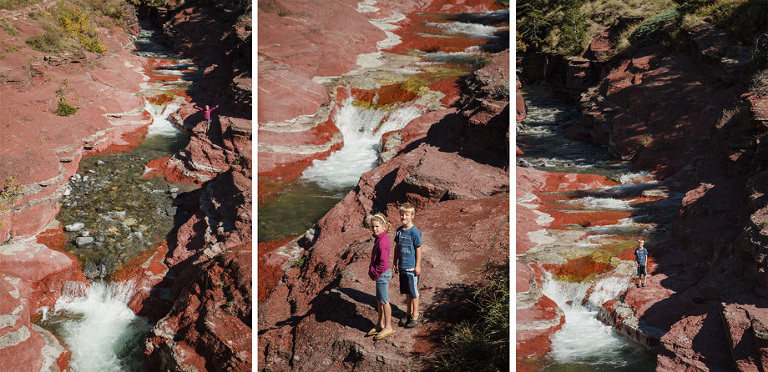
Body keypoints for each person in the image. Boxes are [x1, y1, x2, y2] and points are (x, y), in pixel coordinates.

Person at [393, 202, 423, 328]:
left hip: (411, 268)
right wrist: (394, 262)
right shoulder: (399, 231)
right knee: (407, 292)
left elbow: (418, 249)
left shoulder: (415, 232)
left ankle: (415, 315)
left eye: (406, 215)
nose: (404, 217)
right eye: (402, 214)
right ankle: (408, 312)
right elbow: (396, 248)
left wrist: (417, 266)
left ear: (412, 215)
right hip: (402, 267)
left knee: (414, 292)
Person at [366, 213, 395, 340]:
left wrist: (374, 273)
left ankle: (388, 326)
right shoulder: (379, 239)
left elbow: (383, 263)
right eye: (373, 227)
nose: (374, 229)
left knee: (384, 301)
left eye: (377, 226)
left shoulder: (382, 242)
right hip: (380, 275)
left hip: (382, 274)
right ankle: (380, 324)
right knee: (379, 300)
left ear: (384, 226)